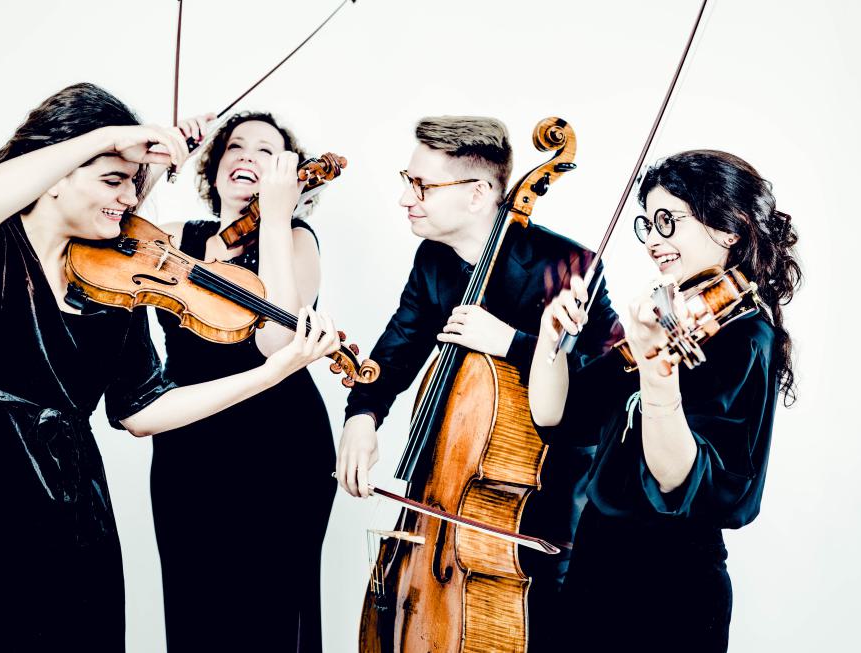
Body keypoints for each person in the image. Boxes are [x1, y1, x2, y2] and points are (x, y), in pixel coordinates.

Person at [0, 83, 339, 653]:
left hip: (75, 518)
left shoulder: (114, 287)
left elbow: (143, 410)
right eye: (114, 180)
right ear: (56, 175)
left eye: (133, 183)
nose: (131, 199)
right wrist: (110, 137)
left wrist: (272, 372)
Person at [336, 115, 622, 643]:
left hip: (541, 515)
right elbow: (396, 351)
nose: (405, 198)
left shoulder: (568, 265)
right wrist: (362, 415)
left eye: (421, 185)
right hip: (446, 514)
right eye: (407, 180)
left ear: (478, 193)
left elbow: (608, 387)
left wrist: (512, 343)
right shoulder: (434, 259)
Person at [529, 150, 801, 653]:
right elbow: (558, 417)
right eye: (648, 224)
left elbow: (675, 479)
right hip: (593, 566)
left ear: (730, 228)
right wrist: (552, 339)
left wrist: (657, 371)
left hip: (672, 590)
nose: (653, 240)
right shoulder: (664, 321)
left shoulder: (746, 338)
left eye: (668, 221)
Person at [148, 112, 334, 652]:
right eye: (235, 146)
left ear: (286, 175)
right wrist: (159, 163)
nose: (247, 155)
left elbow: (278, 341)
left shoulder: (296, 240)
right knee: (194, 609)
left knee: (269, 616)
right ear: (214, 165)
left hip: (280, 448)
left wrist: (276, 217)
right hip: (187, 440)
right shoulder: (177, 239)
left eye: (266, 151)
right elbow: (104, 235)